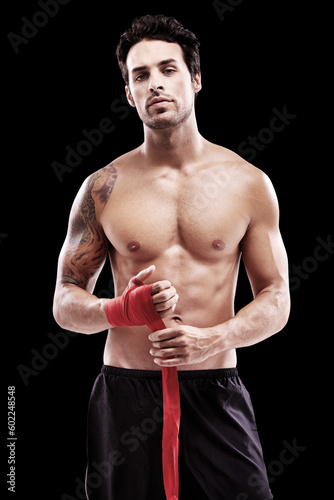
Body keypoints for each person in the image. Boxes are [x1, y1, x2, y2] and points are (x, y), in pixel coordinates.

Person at [53, 14, 290, 500]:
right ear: (128, 94)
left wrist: (212, 339)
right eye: (140, 75)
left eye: (168, 69)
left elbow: (277, 296)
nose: (155, 83)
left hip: (215, 386)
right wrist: (117, 310)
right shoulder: (102, 187)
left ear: (196, 79)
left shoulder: (248, 183)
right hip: (126, 393)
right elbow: (64, 300)